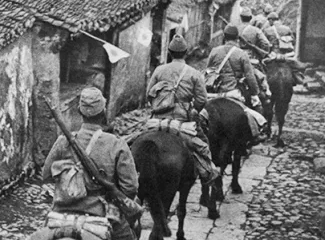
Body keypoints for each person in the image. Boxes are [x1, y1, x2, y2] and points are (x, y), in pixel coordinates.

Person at [30, 87, 138, 240]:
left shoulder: (63, 141)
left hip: (61, 211)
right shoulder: (116, 144)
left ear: (79, 111)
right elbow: (131, 188)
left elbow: (45, 175)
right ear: (103, 112)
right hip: (100, 214)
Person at [147, 34, 219, 186]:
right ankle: (207, 172)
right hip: (183, 120)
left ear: (170, 52)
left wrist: (160, 104)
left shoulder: (159, 70)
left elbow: (149, 94)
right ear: (186, 52)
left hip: (158, 119)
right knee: (203, 144)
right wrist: (193, 110)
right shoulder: (194, 73)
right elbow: (202, 100)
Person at [206, 25, 267, 144]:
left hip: (215, 94)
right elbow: (250, 77)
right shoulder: (241, 54)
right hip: (234, 93)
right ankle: (256, 135)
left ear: (224, 37)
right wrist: (255, 94)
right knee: (257, 107)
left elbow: (208, 73)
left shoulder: (214, 51)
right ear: (237, 38)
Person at [238, 7, 271, 114]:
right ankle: (263, 96)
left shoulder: (233, 28)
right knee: (261, 78)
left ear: (240, 17)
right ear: (250, 18)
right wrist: (259, 53)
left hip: (233, 58)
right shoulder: (256, 30)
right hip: (251, 60)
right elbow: (266, 45)